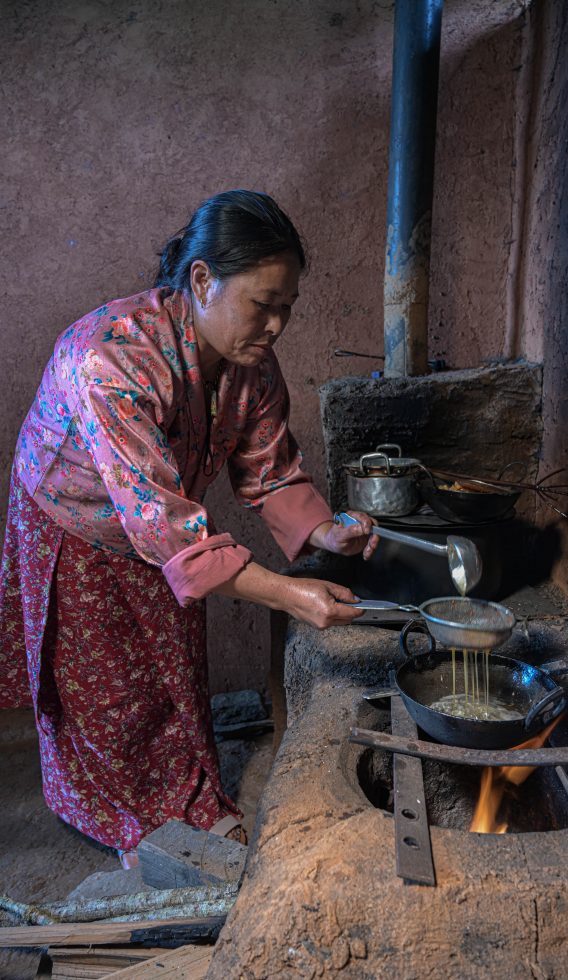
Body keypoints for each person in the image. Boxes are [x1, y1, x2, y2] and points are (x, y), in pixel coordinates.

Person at [0, 189, 377, 864]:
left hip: (167, 523)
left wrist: (323, 533)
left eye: (287, 308)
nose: (276, 326)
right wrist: (293, 595)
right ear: (201, 280)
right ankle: (130, 820)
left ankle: (190, 797)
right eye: (263, 305)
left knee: (171, 670)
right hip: (74, 521)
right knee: (107, 688)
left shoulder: (249, 364)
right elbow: (163, 523)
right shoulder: (108, 358)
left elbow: (270, 466)